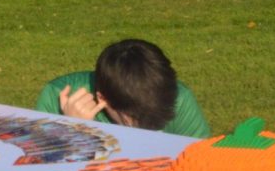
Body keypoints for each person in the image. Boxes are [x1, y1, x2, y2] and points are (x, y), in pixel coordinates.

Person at [34, 38, 211, 138]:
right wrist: (74, 130)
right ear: (103, 99)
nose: (146, 129)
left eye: (156, 120)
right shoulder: (57, 98)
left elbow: (201, 163)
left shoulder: (177, 98)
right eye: (135, 119)